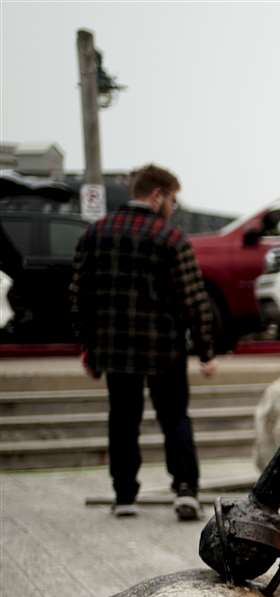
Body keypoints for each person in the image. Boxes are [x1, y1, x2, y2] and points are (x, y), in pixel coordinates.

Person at [68, 164, 215, 519]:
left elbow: (79, 297)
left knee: (122, 419)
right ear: (157, 195)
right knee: (175, 417)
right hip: (164, 348)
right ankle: (185, 489)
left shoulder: (96, 234)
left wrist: (88, 348)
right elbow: (193, 299)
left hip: (115, 350)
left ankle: (124, 496)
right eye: (173, 200)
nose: (173, 208)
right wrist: (205, 350)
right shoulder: (170, 238)